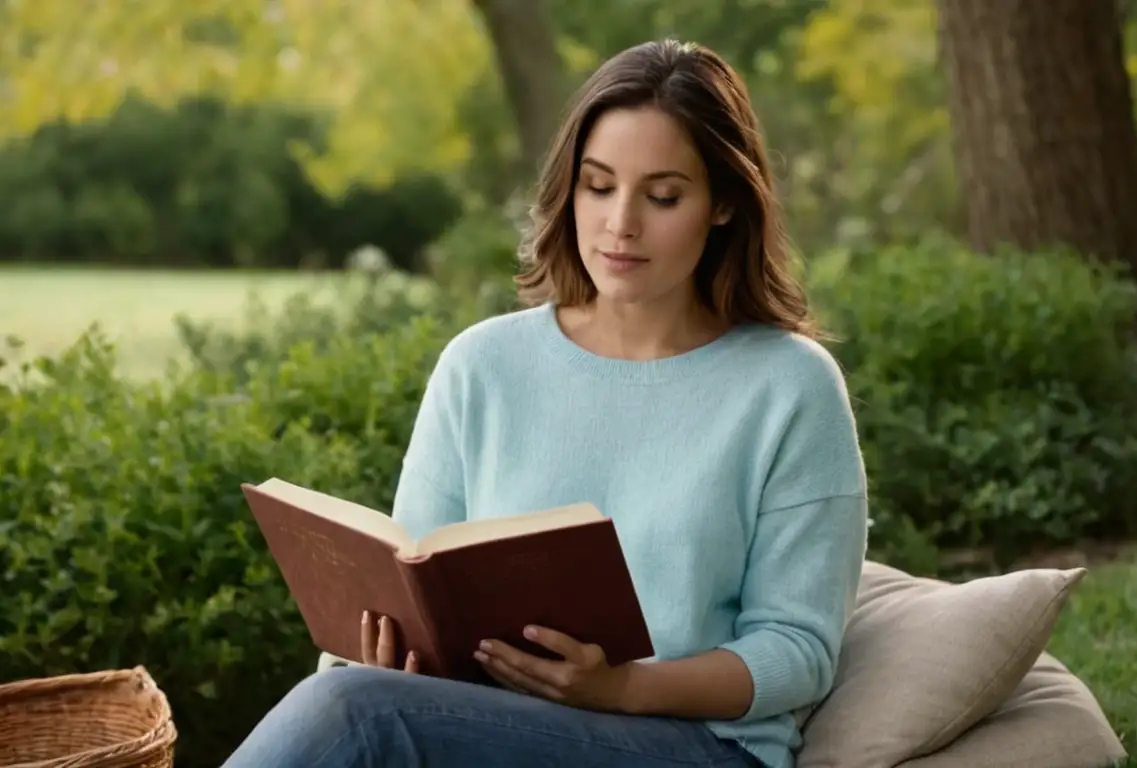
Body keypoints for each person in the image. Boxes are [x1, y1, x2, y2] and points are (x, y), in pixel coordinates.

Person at [222, 38, 868, 768]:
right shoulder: (483, 364)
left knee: (356, 716)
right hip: (496, 725)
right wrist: (386, 653)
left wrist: (622, 689)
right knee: (352, 697)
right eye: (598, 186)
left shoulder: (789, 387)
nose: (621, 222)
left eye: (662, 196)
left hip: (695, 746)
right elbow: (411, 572)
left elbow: (799, 651)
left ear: (723, 204)